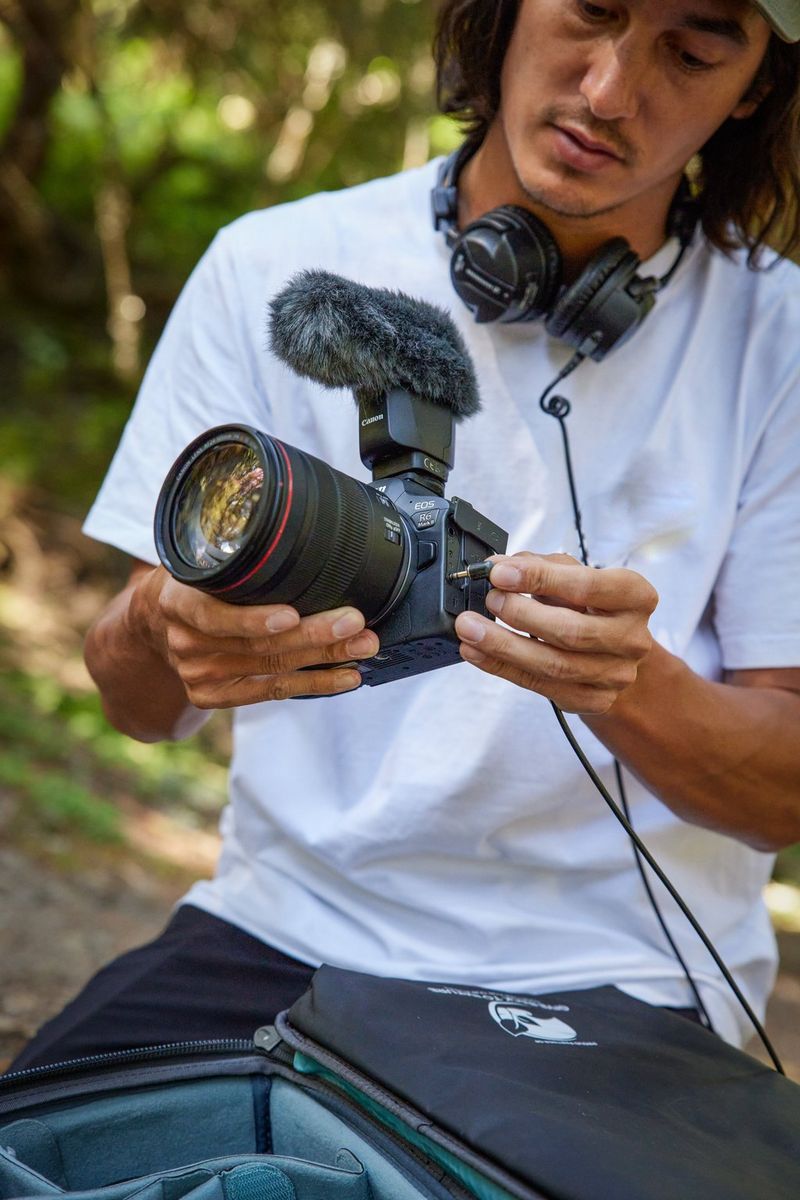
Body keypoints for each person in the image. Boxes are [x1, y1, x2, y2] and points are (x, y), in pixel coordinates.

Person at [10, 0, 800, 1071]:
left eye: (690, 51)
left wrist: (627, 685)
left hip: (619, 984)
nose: (608, 91)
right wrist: (159, 625)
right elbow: (135, 701)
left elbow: (779, 795)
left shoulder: (777, 341)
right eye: (589, 12)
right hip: (280, 932)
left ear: (752, 85)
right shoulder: (275, 265)